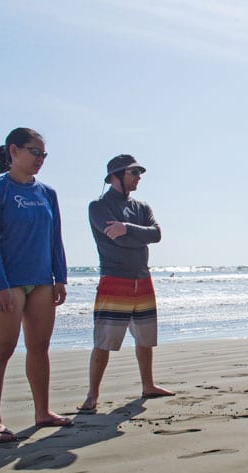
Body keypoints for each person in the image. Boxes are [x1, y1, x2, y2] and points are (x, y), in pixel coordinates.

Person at [0, 127, 72, 443]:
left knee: (39, 347)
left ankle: (42, 412)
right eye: (34, 152)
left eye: (43, 154)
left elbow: (54, 239)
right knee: (2, 348)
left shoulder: (48, 194)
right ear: (13, 151)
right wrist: (0, 284)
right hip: (8, 283)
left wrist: (61, 277)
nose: (40, 160)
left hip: (43, 281)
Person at [77, 155, 174, 412]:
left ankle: (148, 385)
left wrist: (127, 228)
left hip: (142, 278)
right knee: (104, 340)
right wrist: (136, 235)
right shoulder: (98, 207)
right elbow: (119, 241)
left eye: (139, 172)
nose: (139, 176)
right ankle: (92, 395)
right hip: (114, 279)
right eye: (134, 172)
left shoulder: (142, 207)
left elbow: (157, 234)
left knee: (145, 337)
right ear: (115, 176)